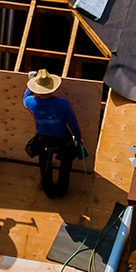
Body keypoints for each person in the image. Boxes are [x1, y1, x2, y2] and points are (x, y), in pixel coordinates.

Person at [23, 69, 82, 198]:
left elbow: (25, 97)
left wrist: (29, 83)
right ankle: (61, 190)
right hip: (62, 139)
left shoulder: (31, 102)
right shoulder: (62, 103)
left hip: (43, 140)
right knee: (66, 164)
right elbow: (73, 123)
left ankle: (49, 191)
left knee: (45, 165)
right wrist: (78, 138)